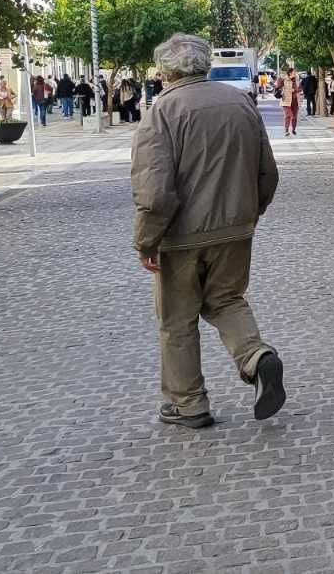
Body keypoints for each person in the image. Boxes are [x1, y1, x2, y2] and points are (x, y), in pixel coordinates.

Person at [130, 34, 286, 430]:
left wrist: (146, 241)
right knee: (227, 300)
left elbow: (154, 191)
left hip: (181, 236)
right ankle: (257, 358)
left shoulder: (162, 112)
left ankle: (188, 404)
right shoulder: (240, 103)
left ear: (165, 70)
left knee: (177, 320)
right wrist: (249, 213)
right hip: (235, 229)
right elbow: (267, 171)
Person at [276, 67, 300, 136]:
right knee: (288, 115)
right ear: (290, 73)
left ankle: (293, 129)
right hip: (286, 100)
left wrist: (295, 90)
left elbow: (300, 88)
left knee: (294, 117)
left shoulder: (296, 80)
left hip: (294, 101)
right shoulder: (284, 79)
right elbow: (277, 87)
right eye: (294, 72)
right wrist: (279, 80)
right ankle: (286, 130)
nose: (295, 74)